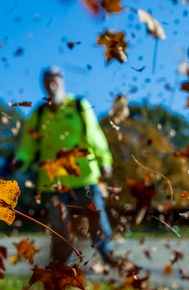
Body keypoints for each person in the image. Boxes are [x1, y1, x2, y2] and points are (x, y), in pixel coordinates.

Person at [12, 66, 130, 270]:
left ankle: (109, 255)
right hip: (54, 180)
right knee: (59, 225)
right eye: (47, 81)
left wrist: (105, 160)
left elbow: (94, 134)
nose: (51, 85)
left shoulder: (78, 105)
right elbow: (29, 144)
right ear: (44, 86)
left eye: (55, 80)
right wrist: (21, 159)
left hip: (84, 176)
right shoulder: (39, 114)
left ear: (62, 82)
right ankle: (61, 264)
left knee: (96, 218)